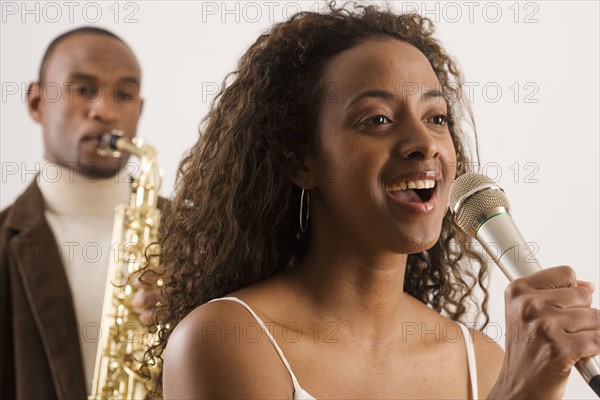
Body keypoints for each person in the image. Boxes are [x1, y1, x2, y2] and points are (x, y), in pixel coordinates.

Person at [153, 3, 600, 399]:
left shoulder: (482, 364)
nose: (424, 143)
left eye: (436, 117)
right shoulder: (226, 339)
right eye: (378, 119)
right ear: (301, 160)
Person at [0, 27, 161, 398]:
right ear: (36, 103)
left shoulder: (199, 237)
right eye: (84, 89)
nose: (104, 111)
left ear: (140, 109)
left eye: (124, 94)